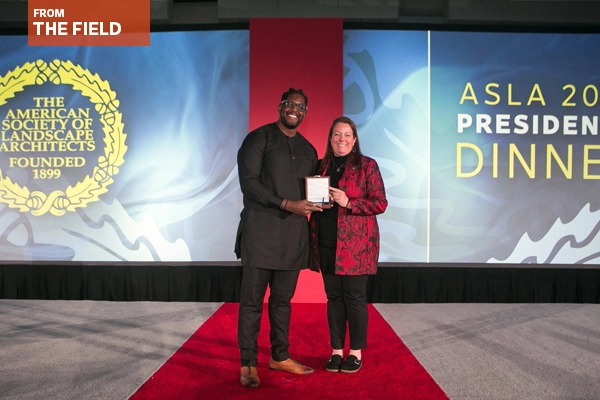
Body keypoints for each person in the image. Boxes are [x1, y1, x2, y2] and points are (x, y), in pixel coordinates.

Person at [235, 88, 323, 388]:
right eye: (289, 104)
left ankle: (280, 356)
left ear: (305, 112)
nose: (294, 109)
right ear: (279, 106)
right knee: (252, 303)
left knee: (283, 302)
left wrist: (322, 201)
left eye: (300, 106)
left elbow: (313, 191)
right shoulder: (258, 138)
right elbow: (249, 183)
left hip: (293, 237)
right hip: (260, 234)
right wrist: (287, 204)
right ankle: (248, 363)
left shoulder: (309, 149)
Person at [308, 116, 388, 374]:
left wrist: (349, 202)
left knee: (354, 298)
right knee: (333, 298)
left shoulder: (367, 165)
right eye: (336, 134)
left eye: (346, 135)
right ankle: (336, 351)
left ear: (354, 140)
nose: (341, 139)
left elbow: (380, 203)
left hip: (356, 246)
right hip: (326, 242)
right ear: (330, 139)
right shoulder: (321, 166)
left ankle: (355, 352)